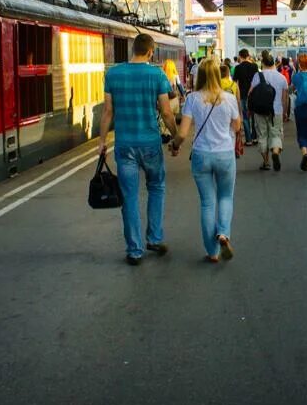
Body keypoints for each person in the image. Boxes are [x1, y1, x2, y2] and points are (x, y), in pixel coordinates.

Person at [98, 34, 178, 266]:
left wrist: (102, 141)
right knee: (156, 187)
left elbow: (108, 111)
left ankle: (134, 250)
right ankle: (154, 238)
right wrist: (176, 138)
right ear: (151, 52)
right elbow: (166, 111)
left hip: (125, 146)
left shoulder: (113, 73)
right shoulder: (157, 74)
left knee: (129, 197)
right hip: (150, 143)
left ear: (133, 49)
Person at [171, 58, 242, 263]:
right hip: (225, 154)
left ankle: (212, 252)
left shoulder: (192, 99)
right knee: (225, 197)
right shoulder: (228, 98)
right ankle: (223, 234)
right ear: (218, 75)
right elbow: (237, 128)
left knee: (207, 204)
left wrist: (174, 146)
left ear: (198, 76)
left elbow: (183, 133)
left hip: (201, 155)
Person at [248, 50, 289, 171]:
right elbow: (285, 98)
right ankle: (275, 152)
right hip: (276, 111)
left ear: (263, 63)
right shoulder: (281, 77)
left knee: (262, 135)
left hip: (260, 110)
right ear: (274, 63)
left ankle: (266, 162)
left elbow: (250, 93)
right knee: (275, 134)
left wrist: (250, 110)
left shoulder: (257, 76)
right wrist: (285, 112)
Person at [232, 49, 259, 145]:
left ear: (240, 56)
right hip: (253, 94)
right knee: (253, 116)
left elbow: (235, 83)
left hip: (243, 95)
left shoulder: (238, 68)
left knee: (245, 117)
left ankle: (248, 140)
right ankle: (255, 137)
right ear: (248, 55)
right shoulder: (255, 66)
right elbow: (257, 80)